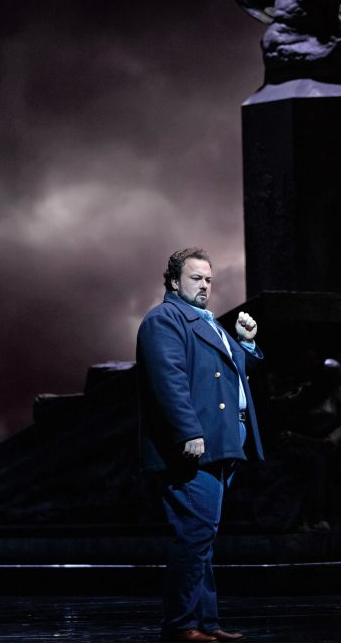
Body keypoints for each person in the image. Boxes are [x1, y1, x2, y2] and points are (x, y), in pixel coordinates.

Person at [137, 247, 264, 643]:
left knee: (202, 538)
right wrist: (188, 431)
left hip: (221, 443)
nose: (205, 285)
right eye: (196, 278)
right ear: (174, 282)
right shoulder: (165, 319)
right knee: (194, 535)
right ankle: (181, 625)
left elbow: (231, 373)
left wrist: (245, 344)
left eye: (209, 279)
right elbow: (168, 381)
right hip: (195, 445)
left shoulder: (207, 322)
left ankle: (204, 622)